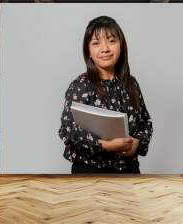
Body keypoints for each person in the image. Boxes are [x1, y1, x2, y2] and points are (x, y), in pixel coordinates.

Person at [58, 15, 153, 174]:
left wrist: (136, 143)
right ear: (88, 51)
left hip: (129, 170)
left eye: (111, 41)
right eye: (96, 43)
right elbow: (67, 129)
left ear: (121, 45)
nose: (105, 49)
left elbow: (145, 121)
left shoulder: (131, 83)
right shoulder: (80, 85)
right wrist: (105, 145)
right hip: (89, 171)